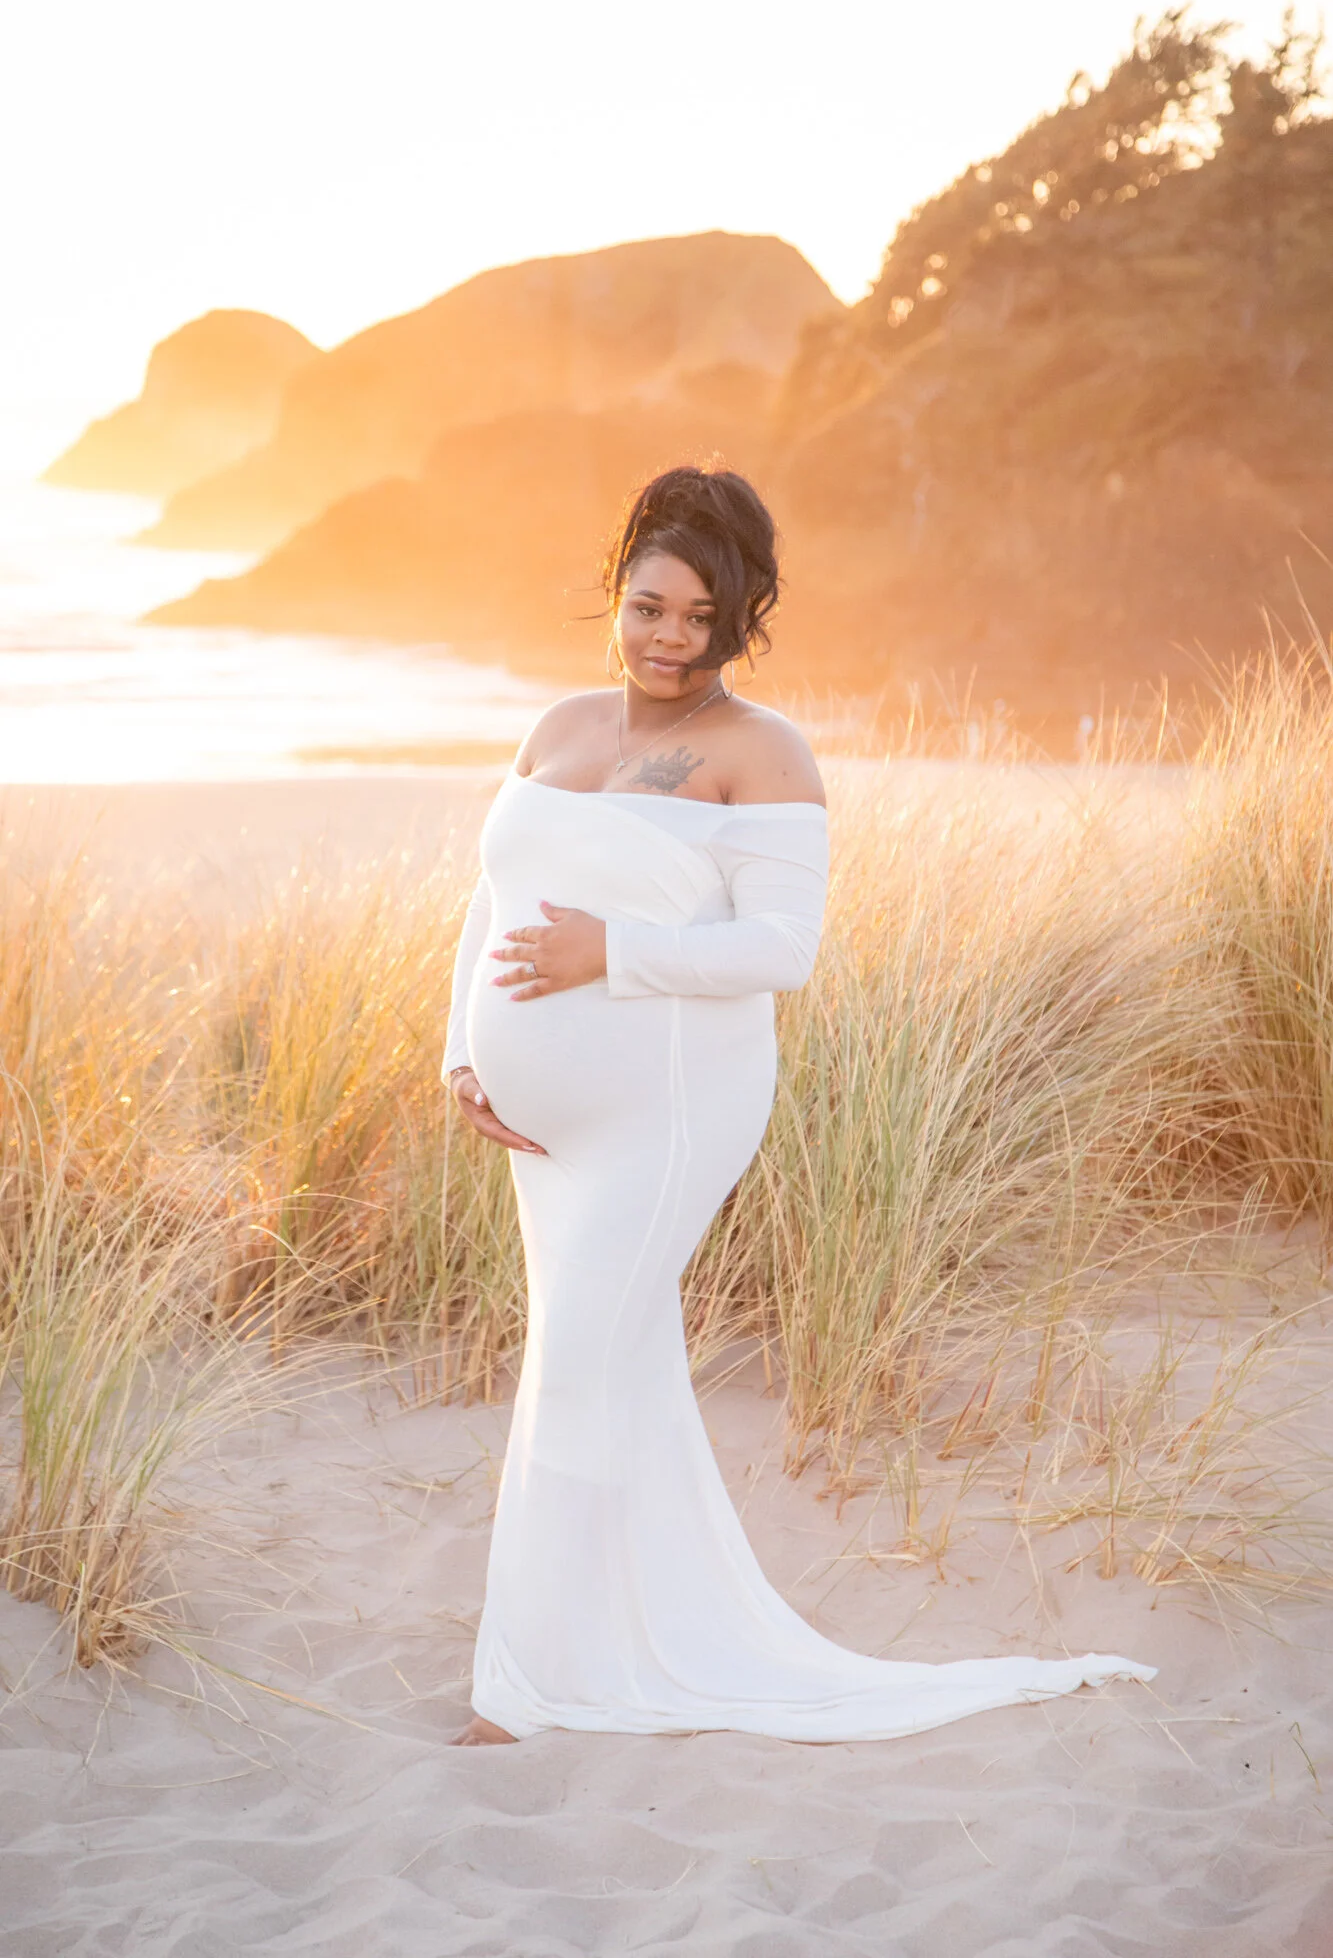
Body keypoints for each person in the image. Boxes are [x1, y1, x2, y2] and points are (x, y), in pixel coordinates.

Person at [441, 465, 1154, 1745]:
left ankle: (529, 1691)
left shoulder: (762, 752)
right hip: (540, 1125)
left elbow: (781, 950)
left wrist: (612, 951)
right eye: (649, 604)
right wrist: (462, 1052)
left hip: (670, 1113)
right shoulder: (554, 728)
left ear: (740, 620)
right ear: (616, 590)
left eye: (699, 617)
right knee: (604, 1359)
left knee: (575, 1372)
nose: (668, 638)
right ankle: (608, 1641)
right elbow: (497, 895)